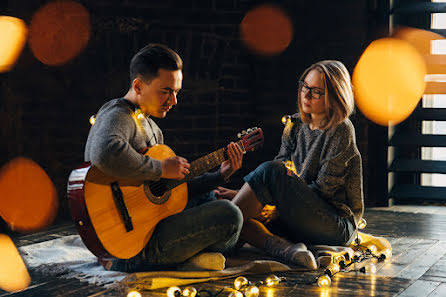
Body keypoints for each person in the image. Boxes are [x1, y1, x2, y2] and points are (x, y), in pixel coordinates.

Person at [84, 43, 244, 272]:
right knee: (230, 216)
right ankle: (135, 260)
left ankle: (187, 256)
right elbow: (105, 153)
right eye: (166, 91)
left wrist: (221, 174)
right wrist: (160, 167)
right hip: (129, 242)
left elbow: (169, 189)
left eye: (176, 92)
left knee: (210, 196)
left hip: (149, 223)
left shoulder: (152, 128)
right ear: (138, 86)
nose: (173, 101)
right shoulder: (117, 114)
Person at [216, 60, 364, 270]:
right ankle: (284, 249)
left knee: (269, 172)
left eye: (316, 92)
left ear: (335, 96)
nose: (306, 94)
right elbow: (281, 174)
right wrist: (252, 196)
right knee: (222, 202)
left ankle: (214, 234)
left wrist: (267, 203)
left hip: (335, 223)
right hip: (296, 217)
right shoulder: (294, 124)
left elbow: (321, 191)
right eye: (305, 86)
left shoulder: (341, 130)